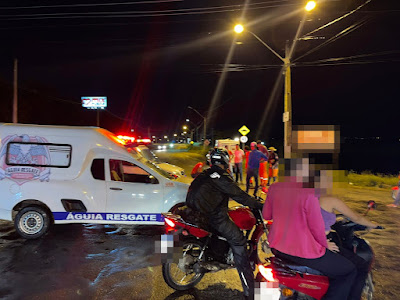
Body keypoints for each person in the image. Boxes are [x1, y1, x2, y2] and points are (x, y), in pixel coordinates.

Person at [262, 158, 358, 300]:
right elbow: (317, 227)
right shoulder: (308, 193)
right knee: (348, 271)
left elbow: (266, 215)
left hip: (277, 247)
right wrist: (325, 245)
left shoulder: (275, 188)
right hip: (304, 252)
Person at [186, 148, 263, 299]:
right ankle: (250, 291)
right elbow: (239, 195)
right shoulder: (221, 176)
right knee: (239, 242)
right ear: (225, 161)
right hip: (213, 217)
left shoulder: (205, 173)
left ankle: (217, 254)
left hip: (192, 212)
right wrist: (259, 204)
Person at [318, 169, 380, 300]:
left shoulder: (308, 197)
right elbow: (356, 218)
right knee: (360, 266)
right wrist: (372, 225)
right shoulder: (330, 199)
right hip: (320, 243)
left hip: (304, 241)